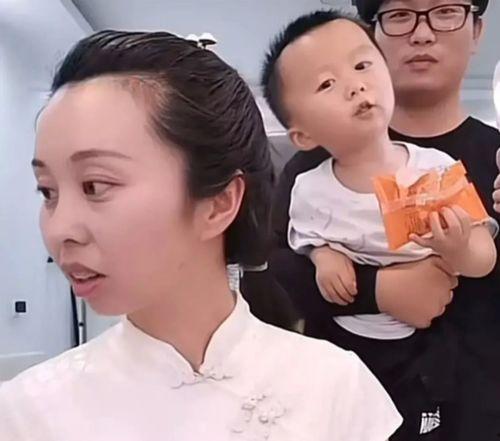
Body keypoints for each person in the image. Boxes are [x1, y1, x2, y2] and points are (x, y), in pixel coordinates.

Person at [0, 30, 402, 441]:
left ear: (219, 203)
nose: (59, 229)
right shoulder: (26, 413)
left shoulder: (335, 388)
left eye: (95, 186)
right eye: (47, 192)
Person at [257, 1, 500, 439]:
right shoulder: (313, 172)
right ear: (376, 34)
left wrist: (461, 247)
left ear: (477, 30)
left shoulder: (466, 163)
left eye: (445, 11)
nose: (422, 33)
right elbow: (276, 270)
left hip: (478, 408)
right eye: (400, 15)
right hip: (349, 403)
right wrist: (377, 290)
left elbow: (483, 255)